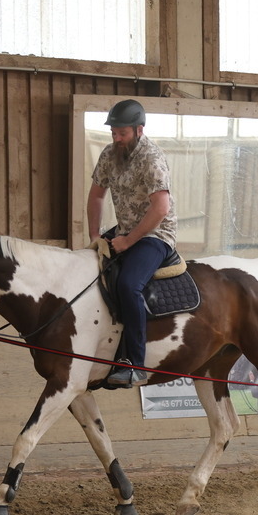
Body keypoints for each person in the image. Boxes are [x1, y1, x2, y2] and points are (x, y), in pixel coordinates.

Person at [87, 99, 177, 389]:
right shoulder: (109, 154)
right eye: (113, 132)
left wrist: (127, 241)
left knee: (128, 284)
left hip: (155, 235)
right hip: (124, 230)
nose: (116, 137)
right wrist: (95, 236)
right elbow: (96, 196)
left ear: (139, 130)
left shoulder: (152, 158)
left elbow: (160, 208)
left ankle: (134, 364)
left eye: (121, 133)